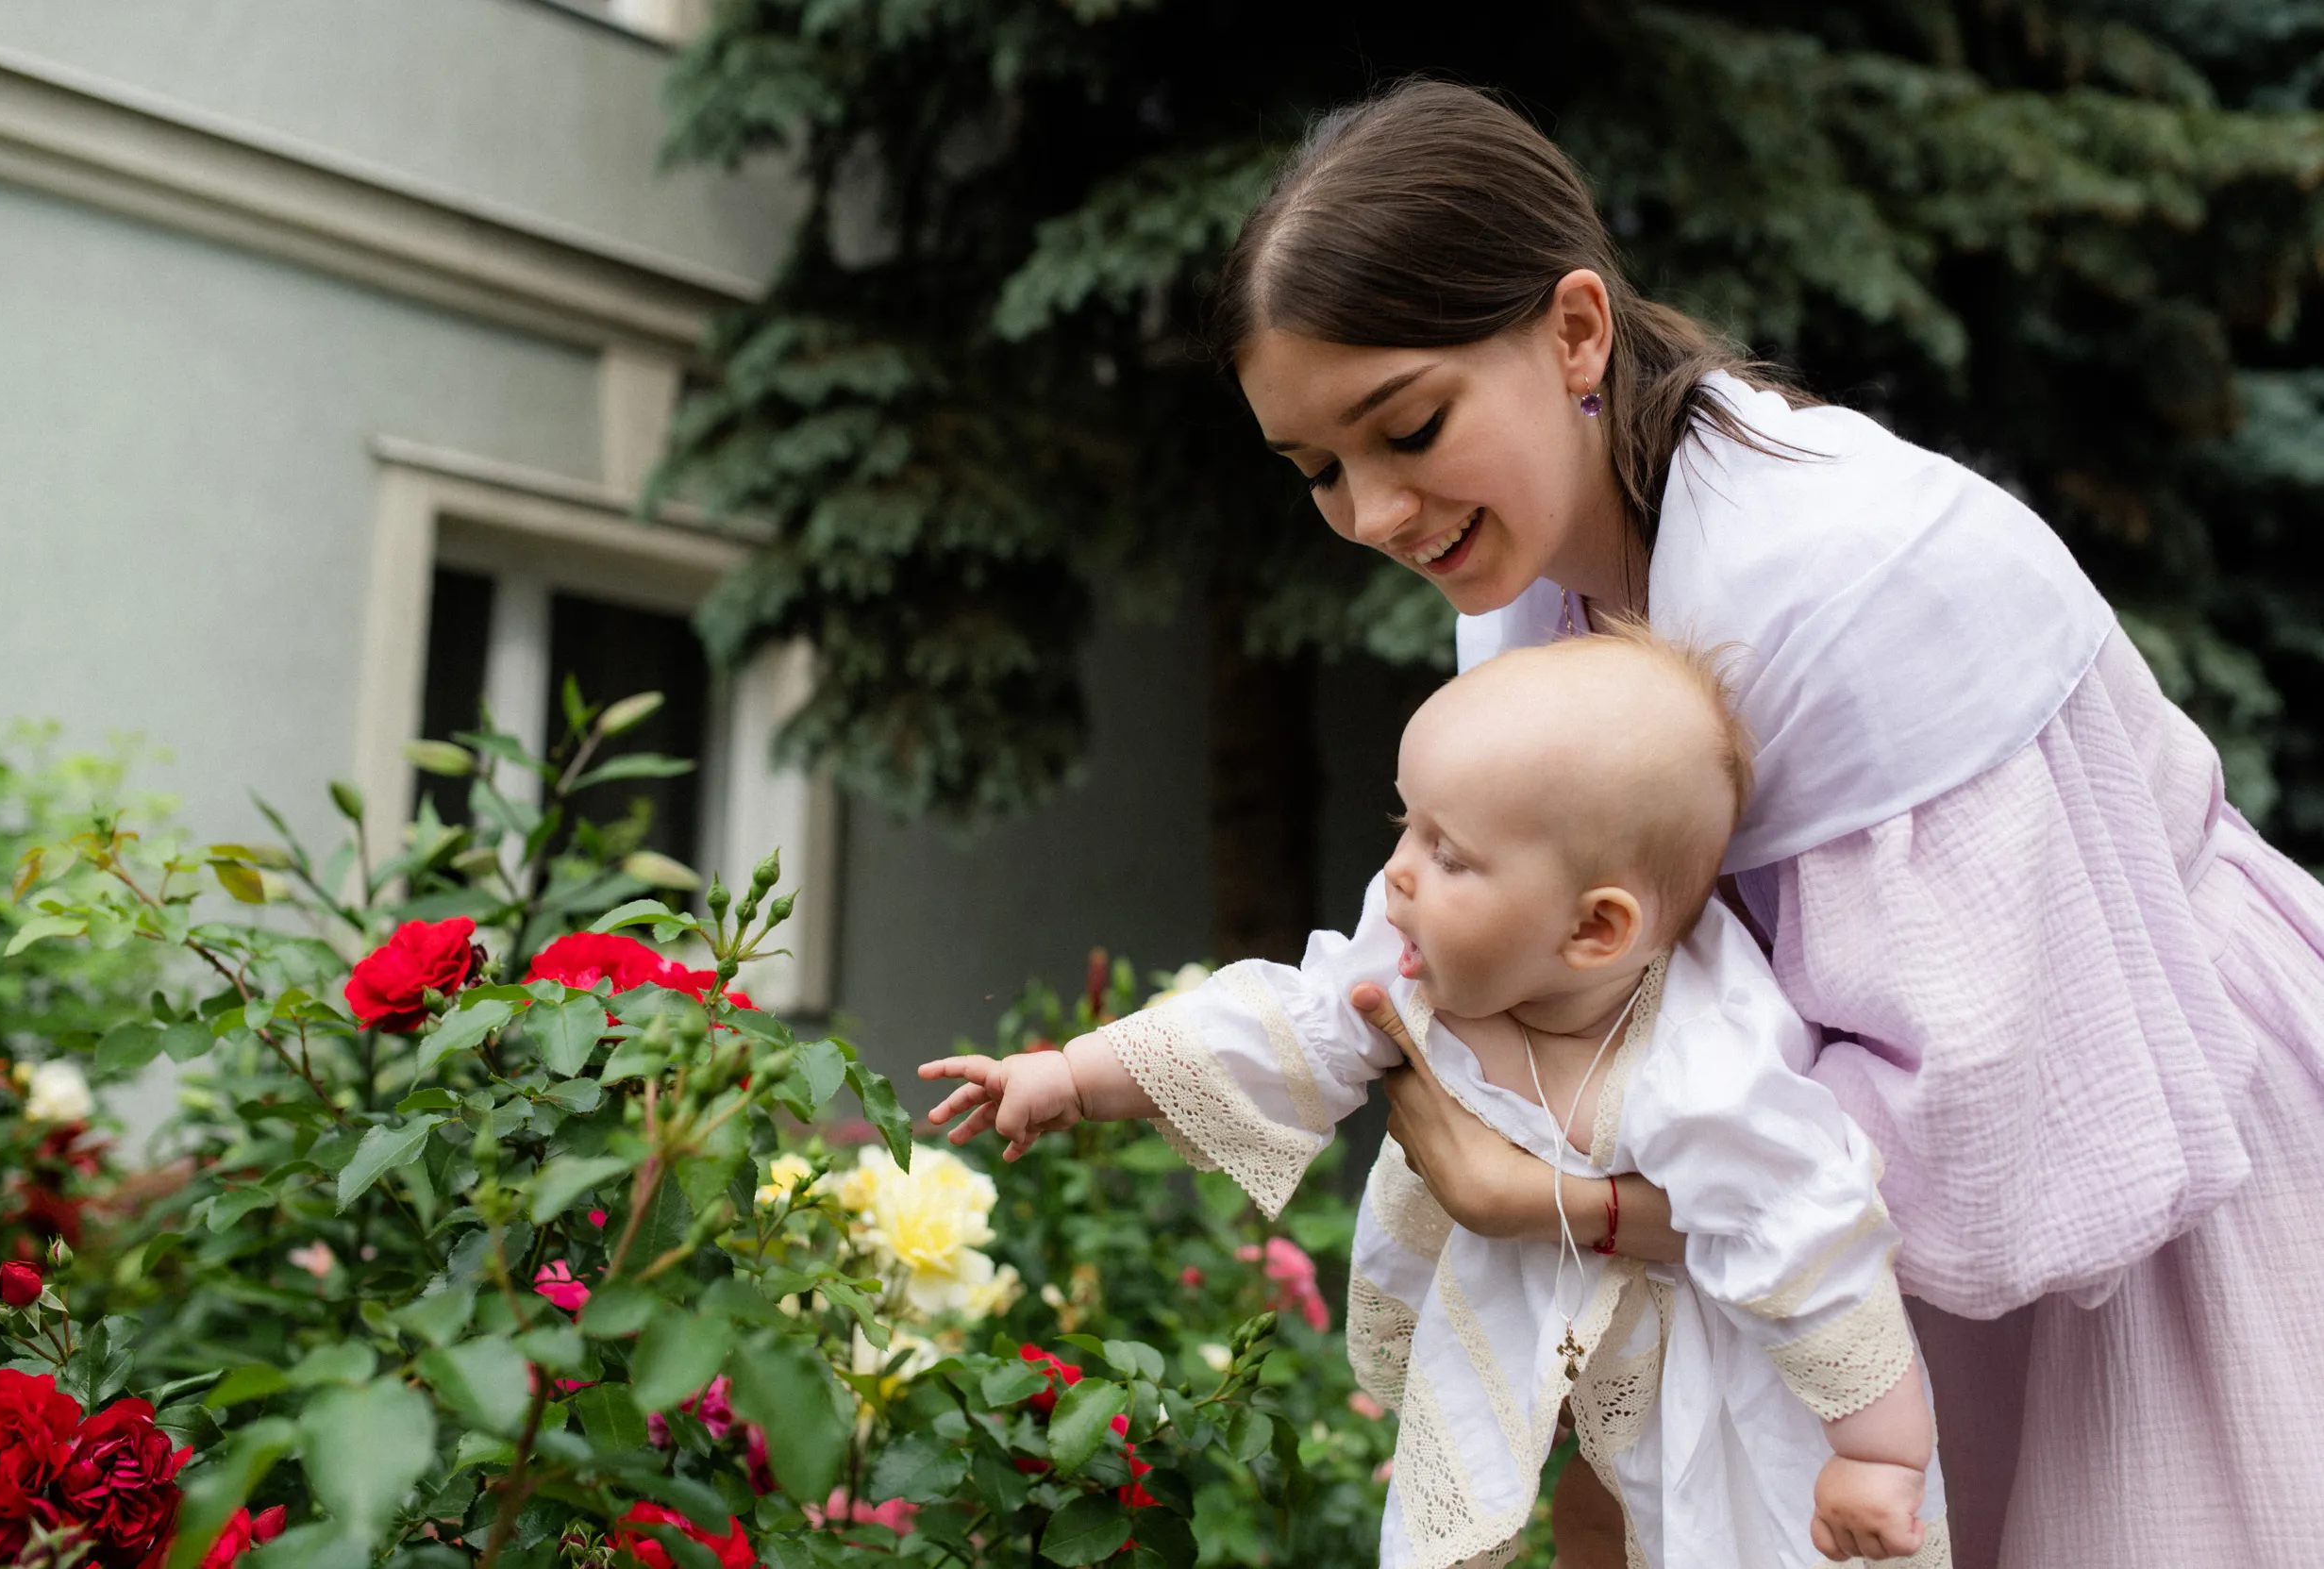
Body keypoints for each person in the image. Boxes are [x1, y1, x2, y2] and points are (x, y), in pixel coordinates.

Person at [1155, 77, 2321, 1569]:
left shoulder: (1849, 586)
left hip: (2144, 1157)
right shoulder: (1530, 605)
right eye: (1319, 470)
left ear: (1576, 329)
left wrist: (1576, 1202)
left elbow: (1984, 1118)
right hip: (1835, 1259)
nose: (1374, 513)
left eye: (1409, 428)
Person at [924, 631, 1945, 1568]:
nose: (1399, 874)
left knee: (1704, 1531)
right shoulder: (1417, 960)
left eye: (1446, 853)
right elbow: (1292, 1021)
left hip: (1709, 1371)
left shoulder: (1704, 1065)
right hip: (1513, 1311)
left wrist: (1877, 1453)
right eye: (1402, 825)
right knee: (1478, 1514)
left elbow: (1810, 1231)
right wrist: (1075, 1076)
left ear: (1594, 930)